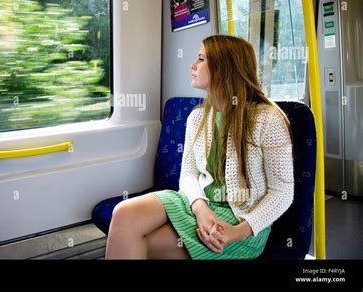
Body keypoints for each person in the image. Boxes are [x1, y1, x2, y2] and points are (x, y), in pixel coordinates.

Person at [105, 35, 294, 259]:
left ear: (224, 68)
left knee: (147, 242)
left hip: (243, 219)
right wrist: (200, 208)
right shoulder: (197, 117)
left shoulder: (267, 119)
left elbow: (282, 192)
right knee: (123, 213)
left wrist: (239, 232)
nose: (193, 65)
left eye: (201, 59)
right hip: (196, 202)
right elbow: (188, 175)